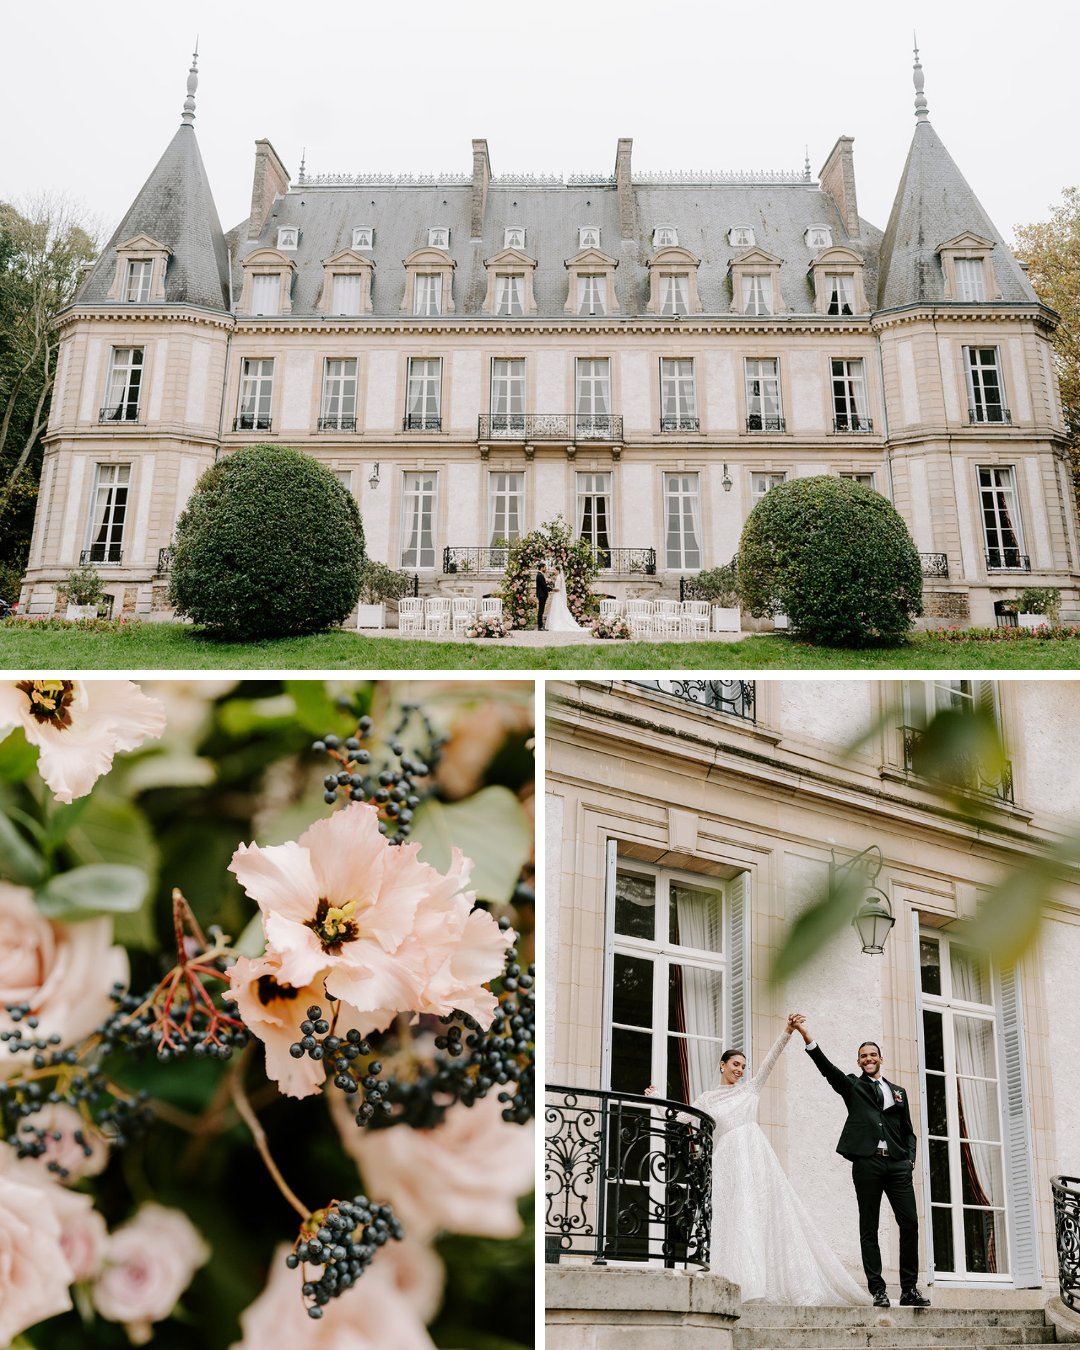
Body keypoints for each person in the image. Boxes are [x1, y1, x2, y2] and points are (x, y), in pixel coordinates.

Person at [646, 1014, 868, 1304]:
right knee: (734, 1217)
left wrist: (788, 1031)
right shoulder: (707, 1099)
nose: (740, 1070)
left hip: (753, 1155)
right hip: (727, 1161)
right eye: (735, 1064)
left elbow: (770, 1061)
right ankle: (736, 1280)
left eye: (743, 1066)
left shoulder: (750, 1089)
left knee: (757, 1213)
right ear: (722, 1065)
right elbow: (680, 1118)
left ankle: (759, 1284)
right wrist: (658, 1098)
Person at [793, 1016, 930, 1308]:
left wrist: (910, 1161)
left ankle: (909, 1290)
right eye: (863, 1056)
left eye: (872, 1055)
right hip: (867, 1164)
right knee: (869, 1226)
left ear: (881, 1058)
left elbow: (909, 1132)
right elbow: (828, 1071)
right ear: (858, 1063)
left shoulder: (899, 1092)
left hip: (897, 1165)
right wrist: (807, 1036)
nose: (868, 1059)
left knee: (909, 1224)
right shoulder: (853, 1086)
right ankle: (878, 1290)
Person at [544, 567, 586, 633]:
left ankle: (556, 624)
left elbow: (558, 589)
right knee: (557, 609)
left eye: (555, 570)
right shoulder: (558, 577)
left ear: (558, 571)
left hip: (557, 595)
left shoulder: (558, 578)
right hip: (557, 595)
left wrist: (551, 589)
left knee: (557, 609)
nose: (554, 571)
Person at [534, 563, 550, 631]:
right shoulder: (540, 575)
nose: (546, 569)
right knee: (541, 611)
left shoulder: (540, 575)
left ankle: (541, 626)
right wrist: (552, 589)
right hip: (542, 595)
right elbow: (544, 586)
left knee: (541, 610)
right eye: (545, 567)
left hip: (542, 595)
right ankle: (540, 626)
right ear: (542, 568)